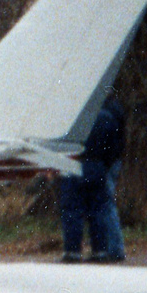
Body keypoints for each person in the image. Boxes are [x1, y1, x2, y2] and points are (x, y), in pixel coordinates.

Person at [59, 93, 127, 264]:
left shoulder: (72, 115)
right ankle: (100, 250)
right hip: (97, 167)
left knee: (72, 210)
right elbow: (114, 147)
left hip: (73, 164)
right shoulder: (107, 117)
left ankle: (72, 251)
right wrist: (103, 165)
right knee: (98, 210)